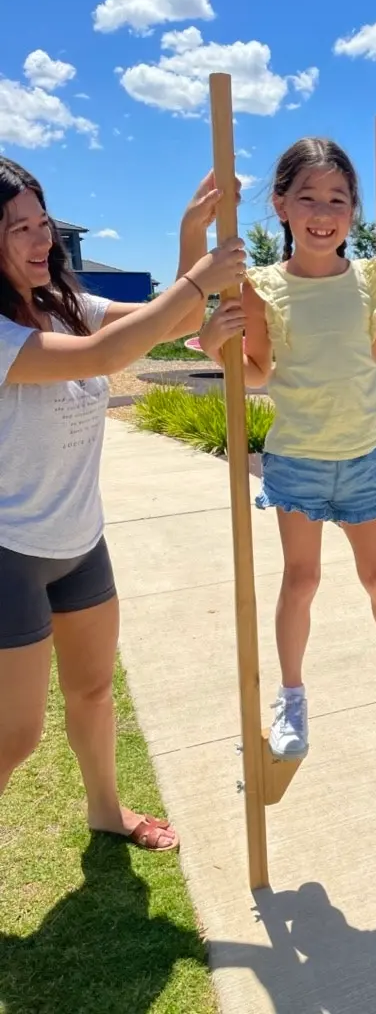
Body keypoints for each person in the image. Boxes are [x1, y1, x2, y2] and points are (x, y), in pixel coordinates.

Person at [0, 157, 246, 850]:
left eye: (43, 223)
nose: (40, 239)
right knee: (15, 734)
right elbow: (106, 355)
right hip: (10, 549)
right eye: (19, 228)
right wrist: (201, 278)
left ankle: (105, 809)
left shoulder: (62, 301)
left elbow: (170, 324)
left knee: (93, 691)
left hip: (79, 540)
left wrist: (190, 234)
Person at [199, 137, 376, 760]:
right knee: (302, 579)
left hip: (363, 457)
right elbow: (258, 371)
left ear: (354, 211)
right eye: (308, 197)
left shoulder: (370, 279)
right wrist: (215, 346)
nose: (323, 211)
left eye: (337, 199)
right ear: (282, 206)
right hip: (298, 460)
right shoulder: (262, 286)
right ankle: (291, 696)